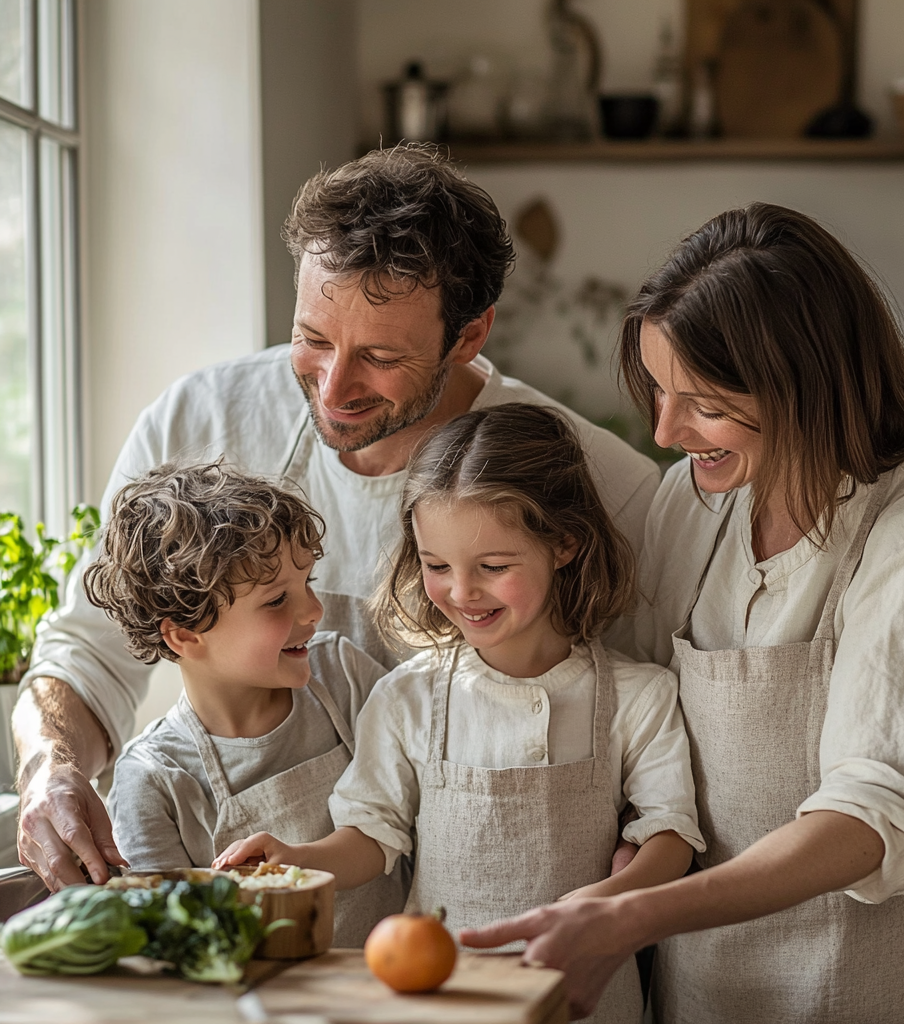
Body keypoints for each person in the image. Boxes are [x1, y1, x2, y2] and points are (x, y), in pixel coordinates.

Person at [14, 144, 660, 891]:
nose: (333, 387)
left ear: (470, 336)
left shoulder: (593, 480)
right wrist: (47, 766)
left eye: (381, 356)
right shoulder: (201, 419)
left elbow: (650, 720)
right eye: (313, 339)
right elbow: (86, 656)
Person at [461, 204, 904, 1023]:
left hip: (839, 985)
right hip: (697, 985)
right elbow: (629, 692)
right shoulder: (696, 501)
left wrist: (631, 915)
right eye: (660, 392)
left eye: (703, 404)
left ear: (803, 386)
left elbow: (872, 816)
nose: (667, 430)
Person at [214, 404, 703, 1023]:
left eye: (493, 568)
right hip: (437, 998)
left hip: (589, 999)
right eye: (436, 566)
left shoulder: (641, 696)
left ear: (564, 543)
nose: (462, 593)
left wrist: (600, 906)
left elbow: (670, 837)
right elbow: (371, 836)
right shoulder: (406, 697)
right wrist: (295, 860)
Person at [83, 461, 405, 945]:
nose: (314, 611)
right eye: (277, 600)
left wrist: (303, 862)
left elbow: (403, 815)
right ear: (185, 633)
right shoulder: (152, 779)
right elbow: (171, 940)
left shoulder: (343, 675)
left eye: (308, 584)